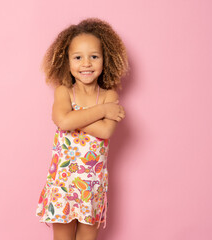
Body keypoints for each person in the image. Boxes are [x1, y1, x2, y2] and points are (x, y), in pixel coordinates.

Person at [35, 18, 129, 240]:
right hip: (63, 184)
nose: (86, 63)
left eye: (94, 57)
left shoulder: (108, 95)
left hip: (92, 186)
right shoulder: (64, 92)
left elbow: (105, 131)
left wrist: (72, 116)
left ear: (105, 60)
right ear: (66, 62)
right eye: (78, 57)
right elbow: (63, 122)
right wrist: (103, 110)